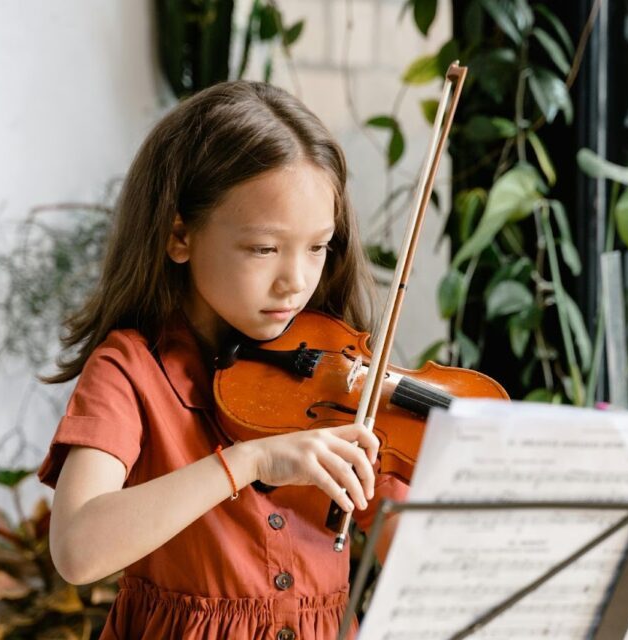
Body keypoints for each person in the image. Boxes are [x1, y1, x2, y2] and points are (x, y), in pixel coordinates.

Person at [37, 80, 408, 640]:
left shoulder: (336, 376)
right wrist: (250, 462)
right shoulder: (130, 371)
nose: (297, 281)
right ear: (179, 234)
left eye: (317, 247)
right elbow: (78, 550)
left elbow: (405, 543)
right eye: (264, 248)